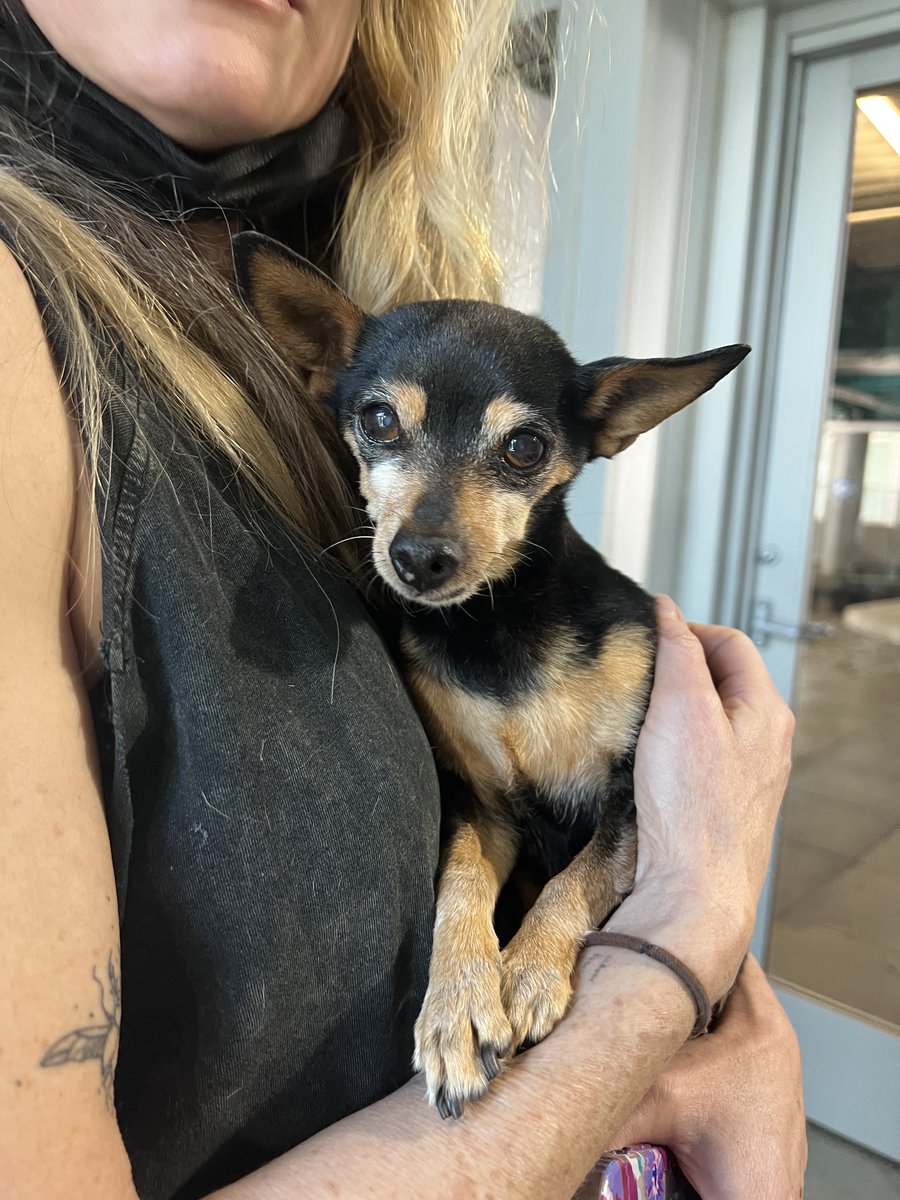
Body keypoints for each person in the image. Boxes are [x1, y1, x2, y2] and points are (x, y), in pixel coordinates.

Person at [0, 2, 805, 1197]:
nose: (429, 526)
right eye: (383, 431)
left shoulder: (361, 332)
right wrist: (674, 955)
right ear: (332, 374)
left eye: (516, 455)